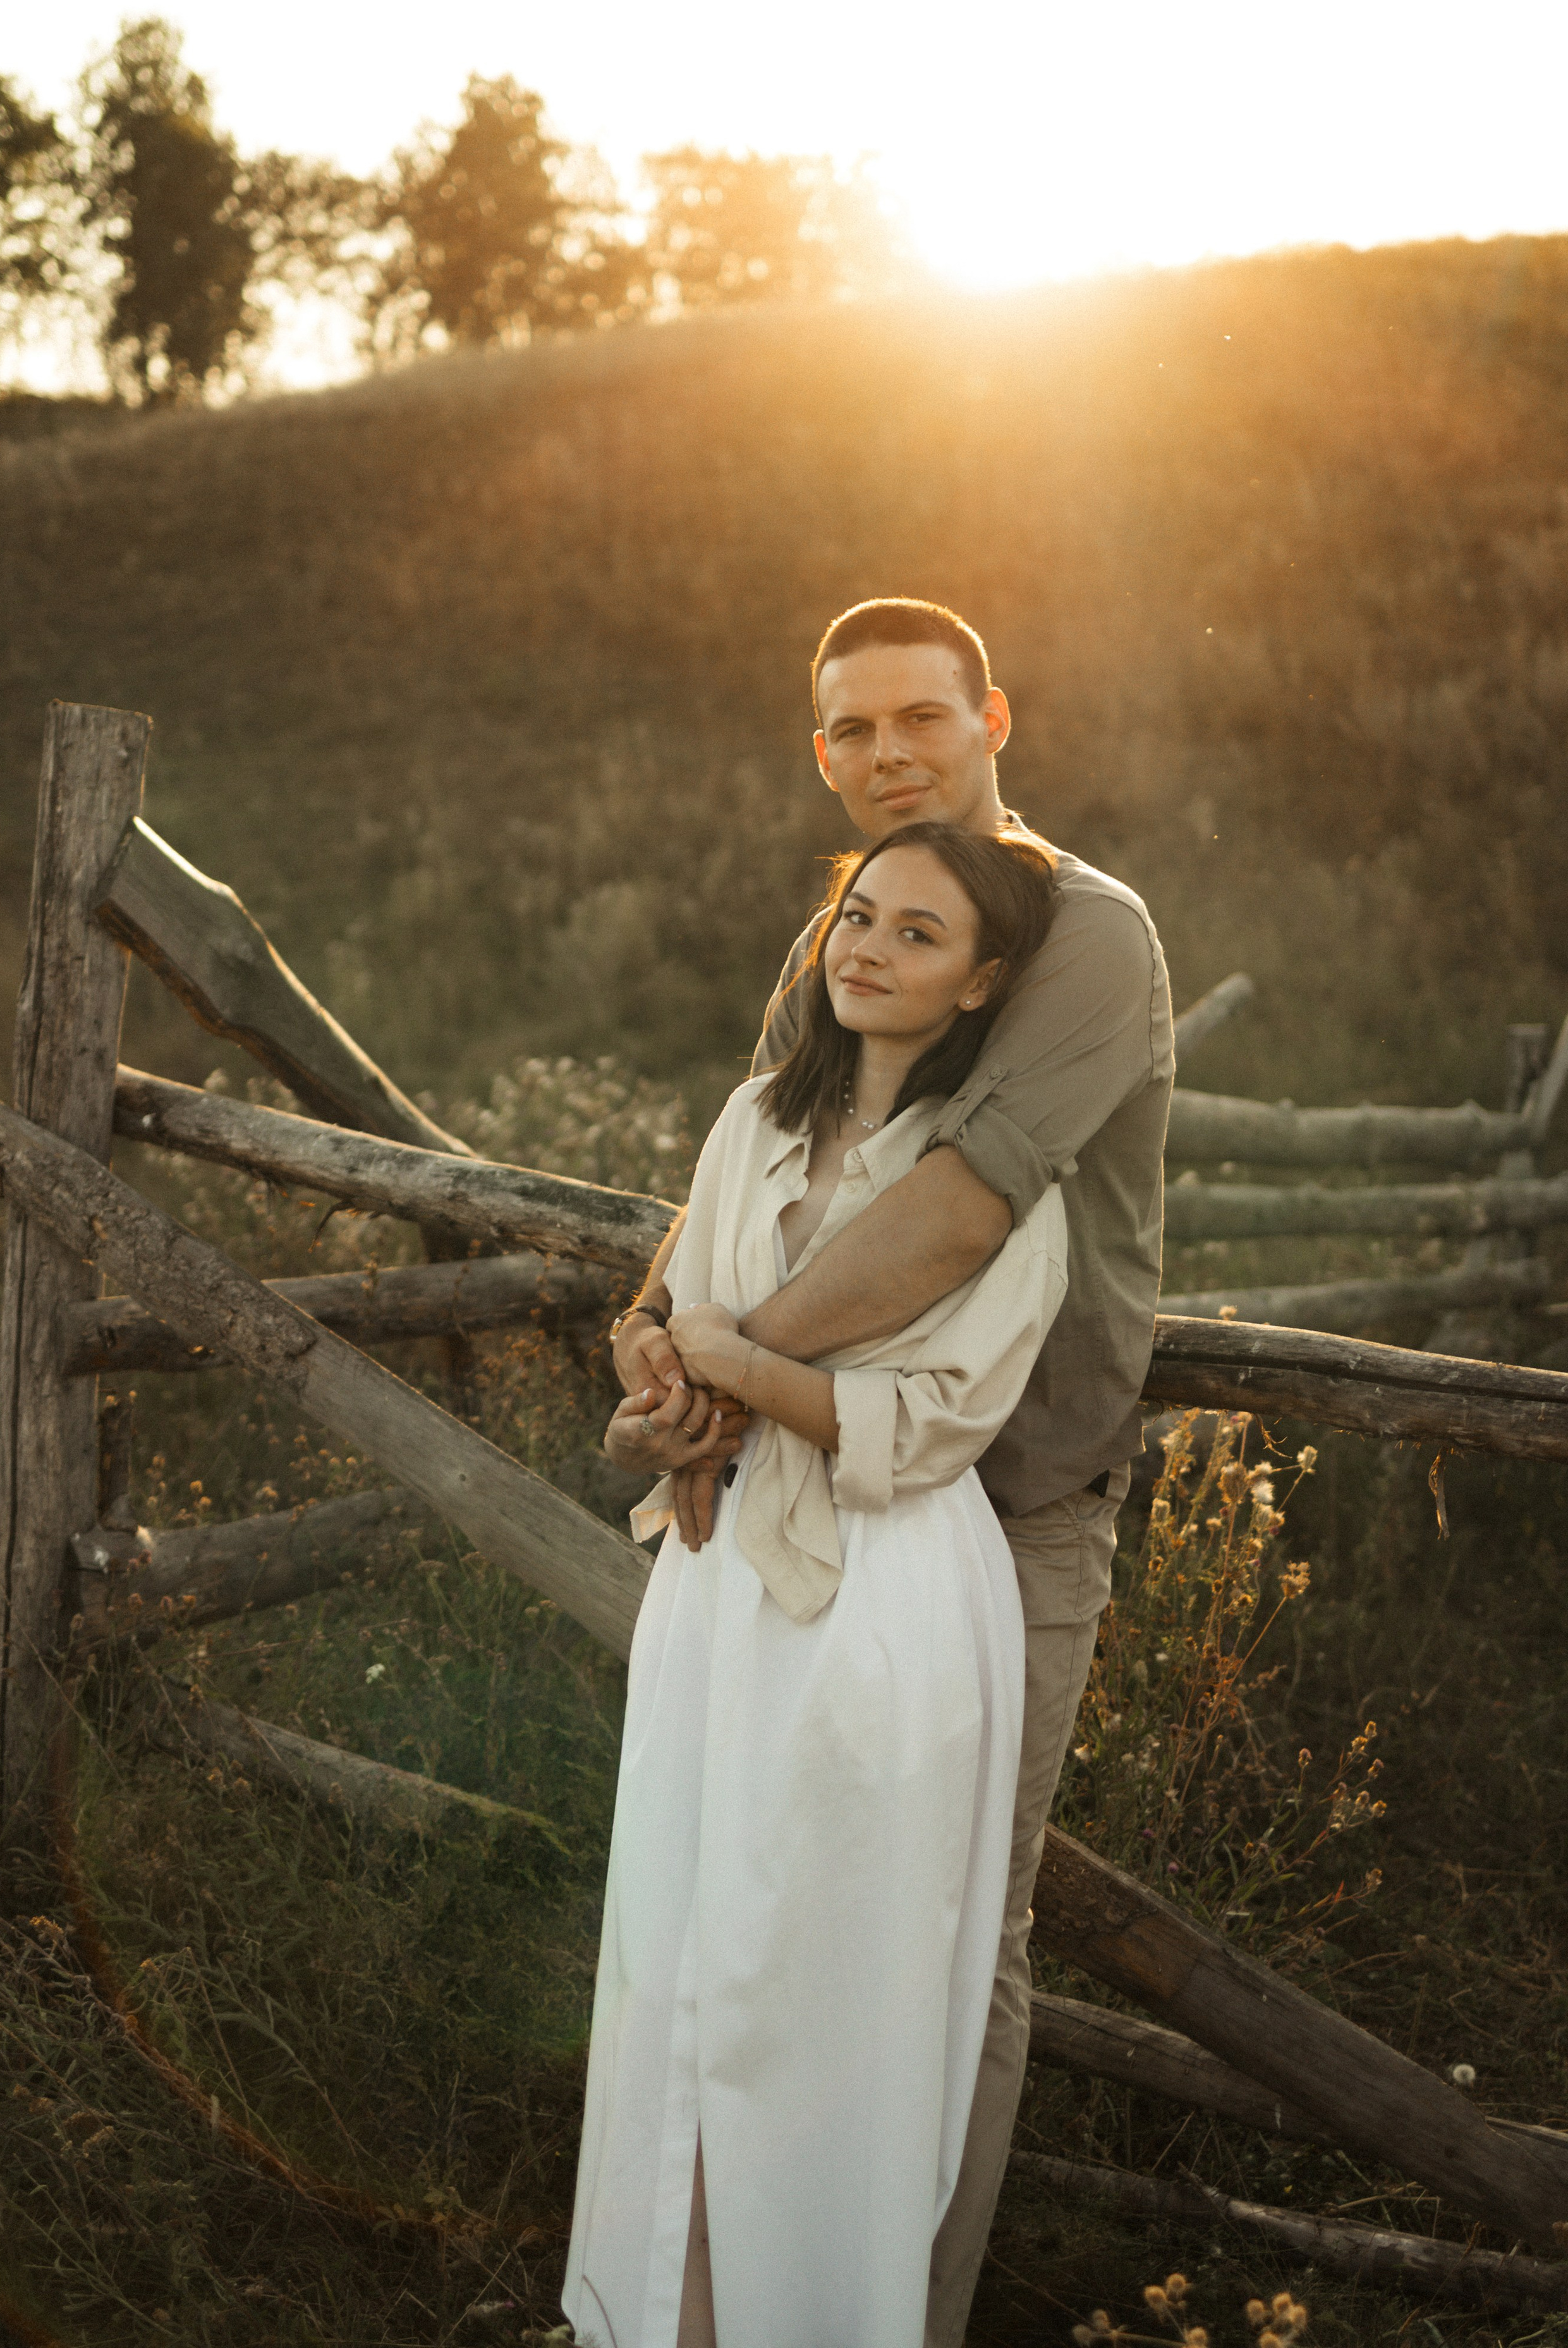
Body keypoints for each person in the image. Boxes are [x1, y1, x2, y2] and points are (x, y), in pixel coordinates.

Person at [602, 598, 1173, 2345]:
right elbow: (753, 1143)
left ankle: (887, 2315)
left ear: (996, 714)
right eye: (848, 731)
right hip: (785, 1494)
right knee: (747, 1909)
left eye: (920, 715)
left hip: (1001, 1502)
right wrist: (659, 1345)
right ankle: (707, 2294)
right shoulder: (835, 926)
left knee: (949, 1942)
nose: (887, 755)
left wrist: (727, 1362)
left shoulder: (1081, 932)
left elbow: (962, 1208)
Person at [564, 821, 1067, 2348]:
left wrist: (739, 1363)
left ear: (981, 984)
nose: (870, 946)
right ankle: (670, 2317)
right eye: (860, 914)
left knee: (820, 1989)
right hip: (717, 1582)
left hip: (882, 1595)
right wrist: (672, 1393)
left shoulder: (1001, 1188)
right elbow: (680, 1314)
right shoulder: (750, 1122)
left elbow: (929, 1426)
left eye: (919, 934)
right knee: (680, 1958)